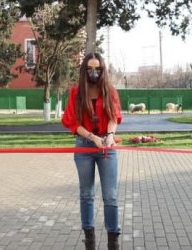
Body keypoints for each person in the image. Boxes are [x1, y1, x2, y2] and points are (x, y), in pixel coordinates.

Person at [62, 52, 122, 250]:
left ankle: (113, 242)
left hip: (107, 147)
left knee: (110, 195)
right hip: (84, 146)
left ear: (103, 70)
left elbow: (114, 117)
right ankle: (89, 241)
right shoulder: (76, 92)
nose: (94, 73)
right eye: (90, 69)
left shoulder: (110, 91)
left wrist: (110, 136)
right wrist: (92, 137)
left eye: (98, 69)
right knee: (86, 194)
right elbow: (72, 122)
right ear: (84, 70)